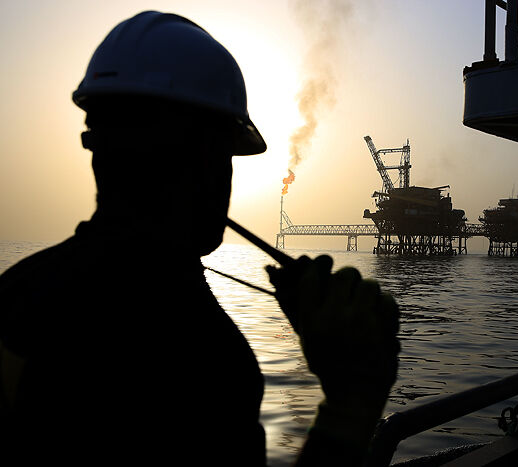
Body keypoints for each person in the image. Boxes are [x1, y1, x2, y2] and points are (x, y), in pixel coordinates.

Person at [0, 11, 399, 466]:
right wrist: (350, 403)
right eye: (226, 154)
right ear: (203, 157)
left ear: (98, 151)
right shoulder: (201, 357)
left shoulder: (16, 291)